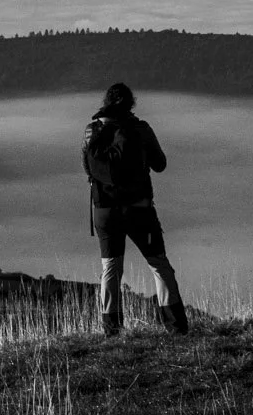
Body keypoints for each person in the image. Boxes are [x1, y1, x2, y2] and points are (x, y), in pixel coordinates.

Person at [81, 83, 188, 337]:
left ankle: (112, 329)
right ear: (131, 104)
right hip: (139, 209)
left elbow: (88, 169)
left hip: (104, 211)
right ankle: (176, 326)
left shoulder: (91, 130)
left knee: (110, 268)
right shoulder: (140, 129)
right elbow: (160, 164)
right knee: (159, 265)